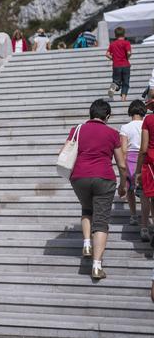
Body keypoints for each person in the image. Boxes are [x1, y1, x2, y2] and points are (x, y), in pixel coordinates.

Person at [62, 99, 127, 280]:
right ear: (107, 116)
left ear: (90, 113)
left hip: (79, 178)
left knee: (86, 209)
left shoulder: (77, 130)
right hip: (104, 179)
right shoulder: (113, 133)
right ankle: (97, 266)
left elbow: (63, 151)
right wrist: (123, 184)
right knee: (102, 221)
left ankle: (87, 243)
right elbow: (121, 165)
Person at [120, 100, 149, 240]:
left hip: (130, 159)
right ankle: (145, 225)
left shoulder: (125, 127)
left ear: (130, 111)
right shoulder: (146, 124)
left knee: (130, 189)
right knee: (144, 194)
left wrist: (122, 168)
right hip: (145, 158)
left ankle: (133, 216)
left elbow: (123, 150)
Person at [135, 100, 154, 245]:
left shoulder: (148, 119)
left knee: (152, 197)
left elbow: (143, 148)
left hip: (151, 163)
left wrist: (138, 171)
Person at [106, 27, 131, 101]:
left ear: (115, 35)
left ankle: (112, 90)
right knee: (125, 82)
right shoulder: (126, 43)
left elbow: (107, 54)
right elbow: (129, 53)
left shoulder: (113, 44)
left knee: (116, 81)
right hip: (126, 65)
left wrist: (113, 58)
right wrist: (127, 58)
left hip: (116, 65)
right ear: (124, 34)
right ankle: (123, 98)